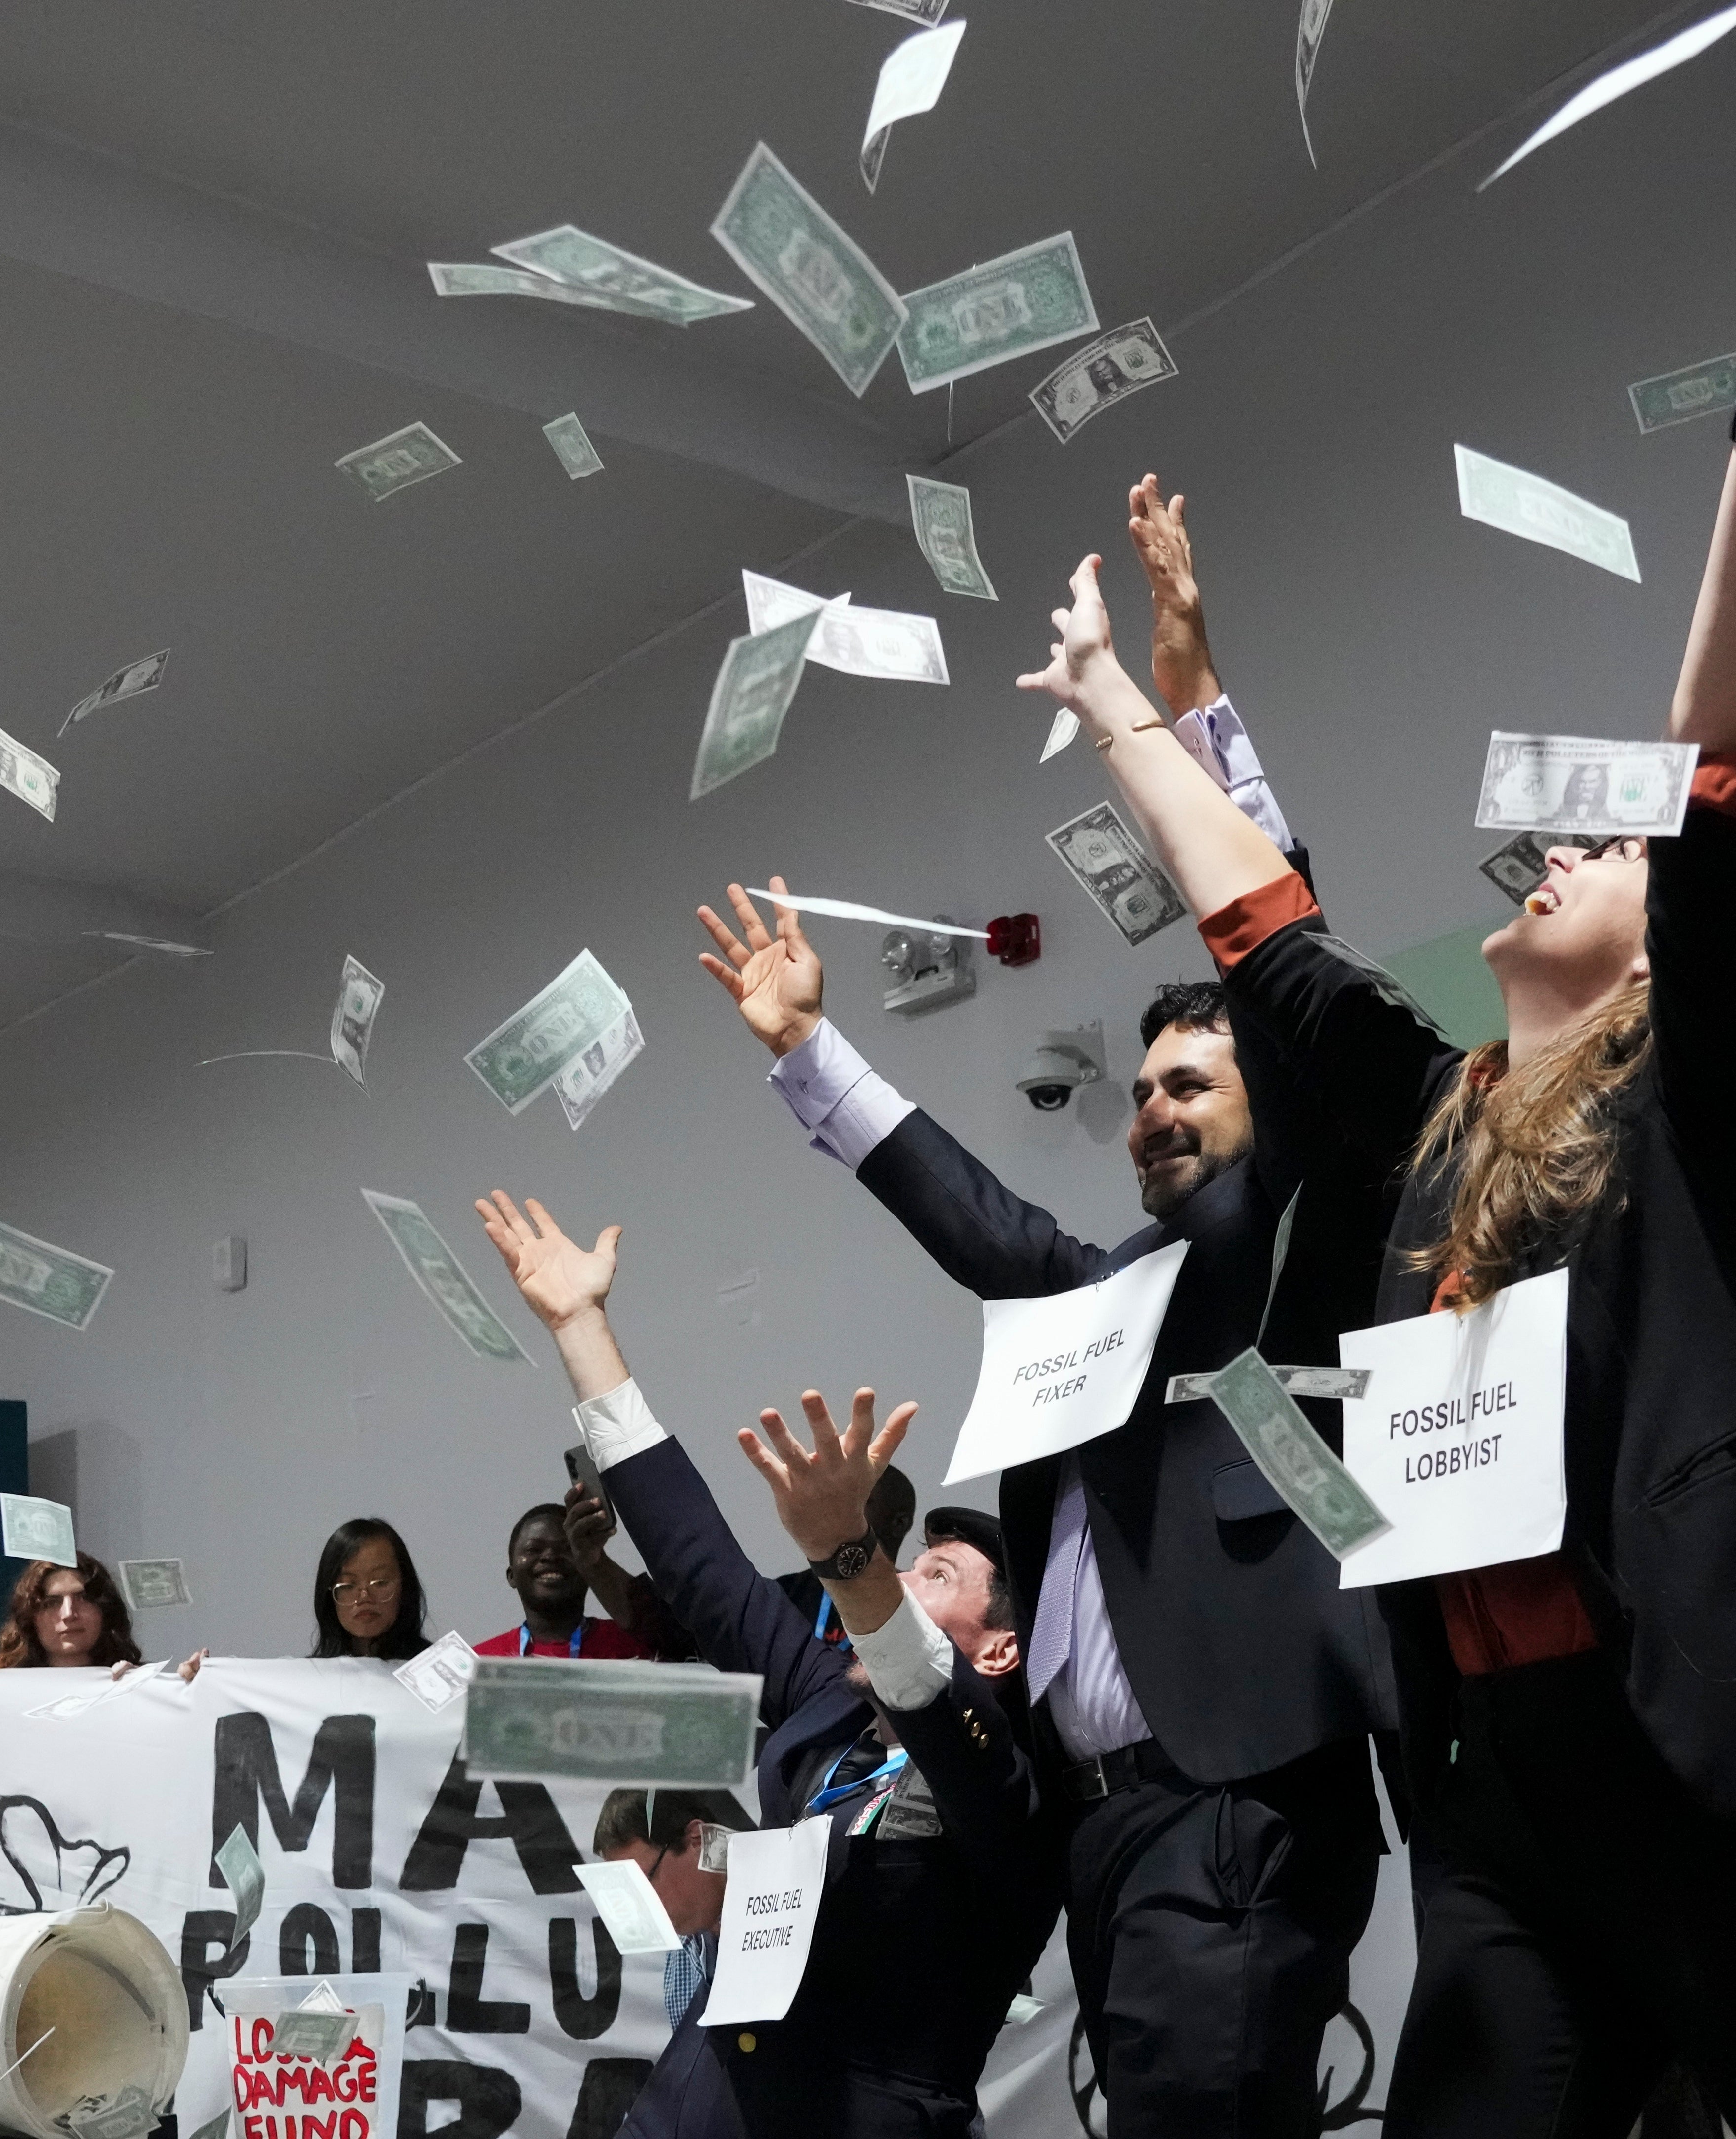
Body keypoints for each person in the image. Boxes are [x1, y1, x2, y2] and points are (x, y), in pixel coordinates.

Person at [1017, 103, 1736, 2134]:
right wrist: (1114, 701)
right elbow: (1255, 916)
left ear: (1660, 954)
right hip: (1491, 1791)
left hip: (1712, 1761)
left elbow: (1716, 746)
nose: (1556, 848)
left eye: (1599, 850)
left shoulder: (1692, 1102)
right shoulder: (1415, 1106)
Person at [694, 478, 1394, 2139]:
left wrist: (1185, 704)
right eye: (1140, 1086)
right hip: (1114, 1827)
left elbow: (1287, 987)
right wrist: (808, 1051)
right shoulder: (1112, 1296)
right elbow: (982, 1222)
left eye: (1190, 1081)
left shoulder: (1274, 1245)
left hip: (1236, 1801)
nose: (1153, 1107)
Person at [474, 1191, 1061, 2139]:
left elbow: (929, 1700)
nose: (907, 1575)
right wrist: (582, 1329)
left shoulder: (1013, 1785)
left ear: (1000, 1647)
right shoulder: (828, 1703)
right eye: (907, 1561)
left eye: (937, 1573)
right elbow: (699, 1564)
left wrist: (850, 1559)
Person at [588, 1786, 749, 2139]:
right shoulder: (682, 1952)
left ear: (696, 1839)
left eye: (645, 1882)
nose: (640, 1907)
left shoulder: (788, 1918)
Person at [474, 1488, 696, 1660]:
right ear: (511, 1576)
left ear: (588, 1571)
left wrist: (597, 1562)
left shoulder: (639, 1647)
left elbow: (687, 1642)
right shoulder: (477, 1663)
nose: (551, 1557)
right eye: (534, 1549)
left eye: (567, 1549)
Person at [774, 1468, 916, 1652]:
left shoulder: (917, 1608)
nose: (835, 1510)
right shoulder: (786, 1595)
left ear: (899, 1524)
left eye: (856, 1500)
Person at [0, 1554, 148, 1670]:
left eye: (84, 1599)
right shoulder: (1, 1690)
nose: (69, 1614)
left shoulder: (138, 1684)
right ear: (30, 1617)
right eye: (51, 1603)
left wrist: (137, 1690)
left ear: (105, 1610)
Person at [310, 1519, 432, 1662]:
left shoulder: (438, 1669)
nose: (364, 1597)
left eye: (379, 1582)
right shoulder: (312, 1677)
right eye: (347, 1585)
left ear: (405, 1587)